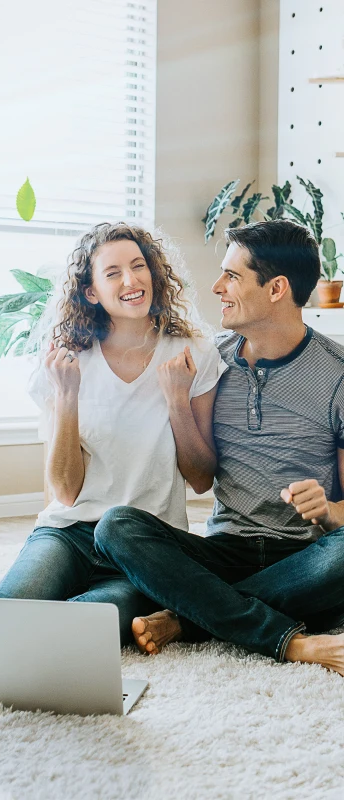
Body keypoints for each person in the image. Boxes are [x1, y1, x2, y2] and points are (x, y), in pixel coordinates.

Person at [0, 221, 227, 646]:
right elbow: (65, 492)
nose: (132, 280)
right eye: (113, 272)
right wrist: (66, 396)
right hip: (70, 533)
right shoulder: (68, 361)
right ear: (90, 291)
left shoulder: (193, 352)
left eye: (139, 266)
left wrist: (177, 401)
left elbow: (200, 478)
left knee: (81, 631)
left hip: (143, 543)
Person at [93, 219, 344, 674]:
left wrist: (328, 508)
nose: (216, 287)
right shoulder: (208, 360)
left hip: (306, 555)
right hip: (225, 549)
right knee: (116, 528)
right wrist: (177, 402)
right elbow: (199, 478)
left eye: (232, 276)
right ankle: (290, 640)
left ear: (277, 289)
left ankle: (187, 618)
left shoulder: (338, 375)